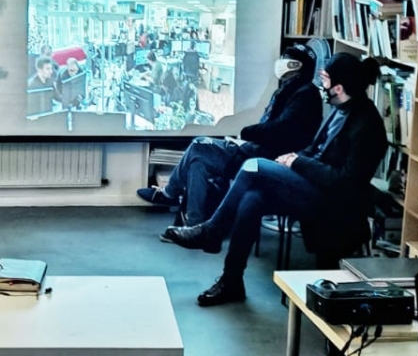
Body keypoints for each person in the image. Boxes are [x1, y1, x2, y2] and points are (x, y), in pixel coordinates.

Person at [164, 53, 387, 306]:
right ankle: (231, 280)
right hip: (311, 184)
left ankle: (211, 231)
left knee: (253, 166)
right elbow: (314, 150)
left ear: (338, 87)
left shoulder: (367, 126)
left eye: (325, 80)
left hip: (331, 200)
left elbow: (345, 182)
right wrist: (294, 159)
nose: (321, 85)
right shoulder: (340, 110)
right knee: (252, 199)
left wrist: (297, 162)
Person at [136, 45, 322, 227]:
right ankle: (194, 224)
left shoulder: (305, 95)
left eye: (286, 59)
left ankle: (169, 194)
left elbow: (281, 131)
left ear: (296, 65)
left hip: (263, 158)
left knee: (199, 145)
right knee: (197, 163)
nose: (280, 62)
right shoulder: (290, 90)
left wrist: (248, 132)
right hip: (255, 150)